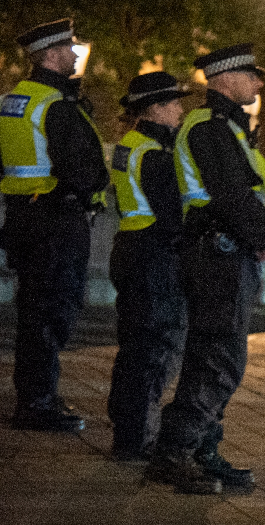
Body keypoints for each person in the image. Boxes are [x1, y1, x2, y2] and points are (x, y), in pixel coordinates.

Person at [145, 44, 265, 495]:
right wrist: (264, 236)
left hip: (223, 251)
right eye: (251, 74)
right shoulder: (210, 127)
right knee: (218, 357)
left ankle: (202, 449)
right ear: (225, 78)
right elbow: (232, 194)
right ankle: (175, 452)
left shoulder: (227, 127)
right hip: (216, 254)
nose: (259, 83)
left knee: (215, 354)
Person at [0, 19, 109, 432]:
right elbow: (81, 169)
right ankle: (37, 402)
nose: (75, 53)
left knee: (35, 310)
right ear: (48, 55)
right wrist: (90, 192)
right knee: (54, 312)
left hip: (25, 218)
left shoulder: (14, 101)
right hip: (55, 221)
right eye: (68, 48)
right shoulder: (56, 106)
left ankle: (36, 395)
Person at [106, 72, 191, 462]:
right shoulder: (155, 155)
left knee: (135, 346)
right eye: (174, 103)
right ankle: (138, 437)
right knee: (154, 349)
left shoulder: (131, 144)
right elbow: (173, 215)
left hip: (131, 247)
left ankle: (127, 429)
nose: (180, 109)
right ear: (155, 108)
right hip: (154, 255)